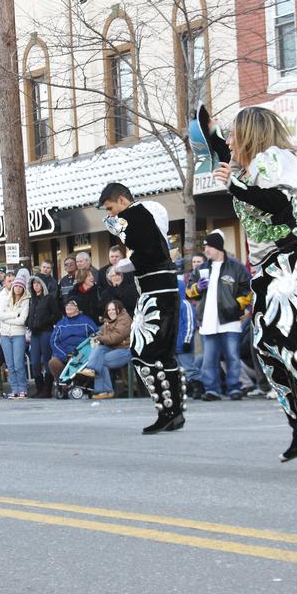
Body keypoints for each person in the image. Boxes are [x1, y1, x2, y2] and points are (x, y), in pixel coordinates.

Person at [212, 106, 297, 462]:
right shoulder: (245, 169)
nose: (229, 142)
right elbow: (221, 154)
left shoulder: (275, 158)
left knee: (283, 340)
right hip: (267, 269)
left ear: (251, 134)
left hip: (294, 260)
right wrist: (207, 130)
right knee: (265, 347)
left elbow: (277, 205)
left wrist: (235, 184)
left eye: (233, 135)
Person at [99, 182, 185, 434]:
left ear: (122, 201)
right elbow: (151, 248)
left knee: (143, 351)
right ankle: (172, 411)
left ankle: (168, 410)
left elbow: (148, 248)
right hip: (159, 289)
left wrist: (129, 260)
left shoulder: (136, 214)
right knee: (162, 353)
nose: (110, 214)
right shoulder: (140, 215)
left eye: (111, 208)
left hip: (157, 292)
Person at [186, 230, 250, 401]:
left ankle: (234, 388)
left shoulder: (236, 267)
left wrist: (237, 305)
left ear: (218, 248)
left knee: (232, 357)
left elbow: (247, 289)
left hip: (230, 320)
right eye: (205, 246)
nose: (206, 249)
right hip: (207, 322)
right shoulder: (201, 269)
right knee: (209, 359)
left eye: (209, 246)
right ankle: (212, 390)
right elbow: (189, 291)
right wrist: (198, 288)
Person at [80, 300, 132, 399]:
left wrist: (99, 338)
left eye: (113, 309)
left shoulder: (124, 319)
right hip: (113, 348)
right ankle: (92, 370)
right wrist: (96, 336)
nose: (111, 312)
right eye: (109, 310)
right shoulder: (108, 321)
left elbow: (116, 337)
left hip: (125, 350)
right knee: (99, 350)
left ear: (119, 309)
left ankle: (105, 391)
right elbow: (101, 333)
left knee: (100, 361)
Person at [48, 299, 98, 387]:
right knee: (53, 363)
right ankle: (64, 385)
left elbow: (96, 336)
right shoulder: (61, 324)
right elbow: (54, 342)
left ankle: (83, 385)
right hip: (65, 356)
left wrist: (86, 353)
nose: (68, 307)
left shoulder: (86, 321)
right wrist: (64, 356)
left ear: (77, 308)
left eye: (72, 305)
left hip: (83, 356)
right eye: (67, 305)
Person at [0, 268, 31, 398]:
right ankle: (14, 389)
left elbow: (22, 320)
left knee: (18, 364)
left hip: (18, 335)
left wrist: (7, 318)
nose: (17, 288)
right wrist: (13, 315)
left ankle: (23, 388)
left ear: (23, 288)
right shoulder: (5, 298)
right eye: (15, 286)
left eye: (20, 286)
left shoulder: (26, 301)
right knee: (10, 365)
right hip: (5, 335)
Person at [28, 275, 61, 398]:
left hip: (46, 332)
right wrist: (29, 323)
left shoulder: (49, 298)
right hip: (34, 333)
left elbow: (56, 315)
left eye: (38, 283)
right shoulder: (32, 300)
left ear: (42, 284)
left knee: (47, 360)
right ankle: (39, 388)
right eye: (34, 284)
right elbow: (30, 315)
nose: (36, 285)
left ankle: (47, 390)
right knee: (35, 362)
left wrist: (45, 321)